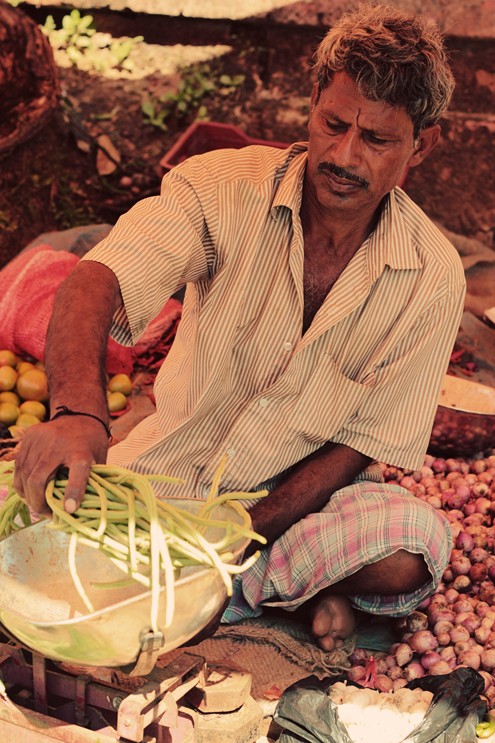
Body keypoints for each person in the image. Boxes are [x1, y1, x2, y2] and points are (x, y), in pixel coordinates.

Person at [15, 3, 465, 651]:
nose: (342, 156)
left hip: (291, 507)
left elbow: (359, 445)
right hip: (167, 480)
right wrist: (78, 412)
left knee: (410, 545)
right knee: (33, 526)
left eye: (375, 140)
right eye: (332, 124)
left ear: (420, 145)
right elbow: (97, 278)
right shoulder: (219, 188)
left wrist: (239, 533)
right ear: (311, 102)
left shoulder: (432, 274)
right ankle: (270, 591)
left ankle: (215, 587)